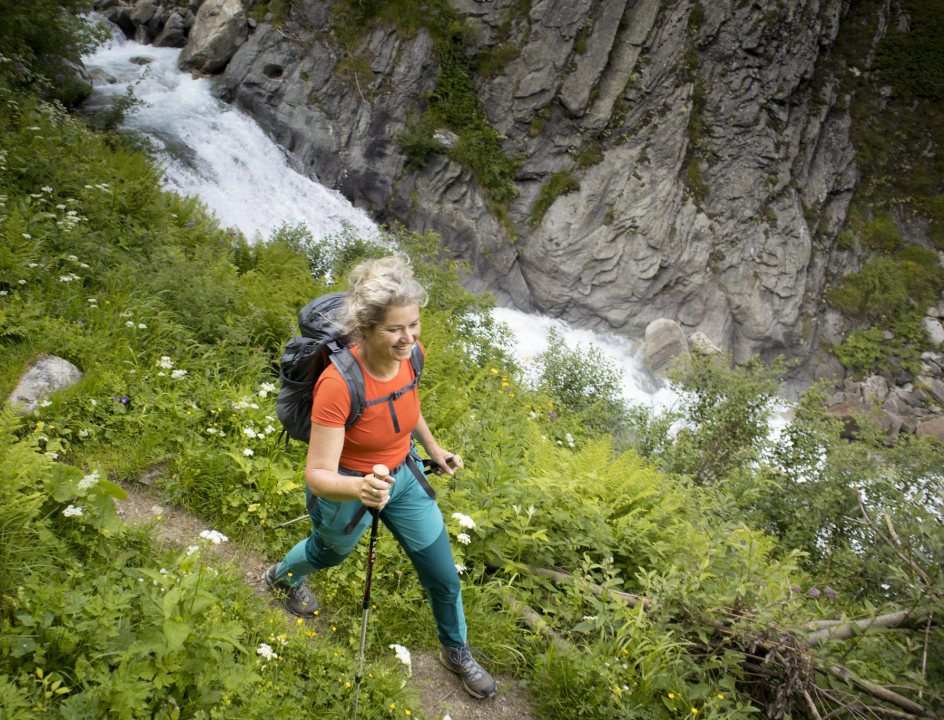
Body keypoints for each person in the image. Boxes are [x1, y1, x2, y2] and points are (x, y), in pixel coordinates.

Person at [263, 255, 497, 700]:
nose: (408, 338)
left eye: (414, 324)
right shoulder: (338, 384)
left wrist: (433, 448)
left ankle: (456, 649)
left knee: (443, 574)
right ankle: (281, 577)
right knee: (327, 554)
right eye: (395, 329)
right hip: (349, 486)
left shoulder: (412, 356)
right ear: (365, 328)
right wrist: (359, 487)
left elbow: (406, 403)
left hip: (403, 476)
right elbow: (318, 474)